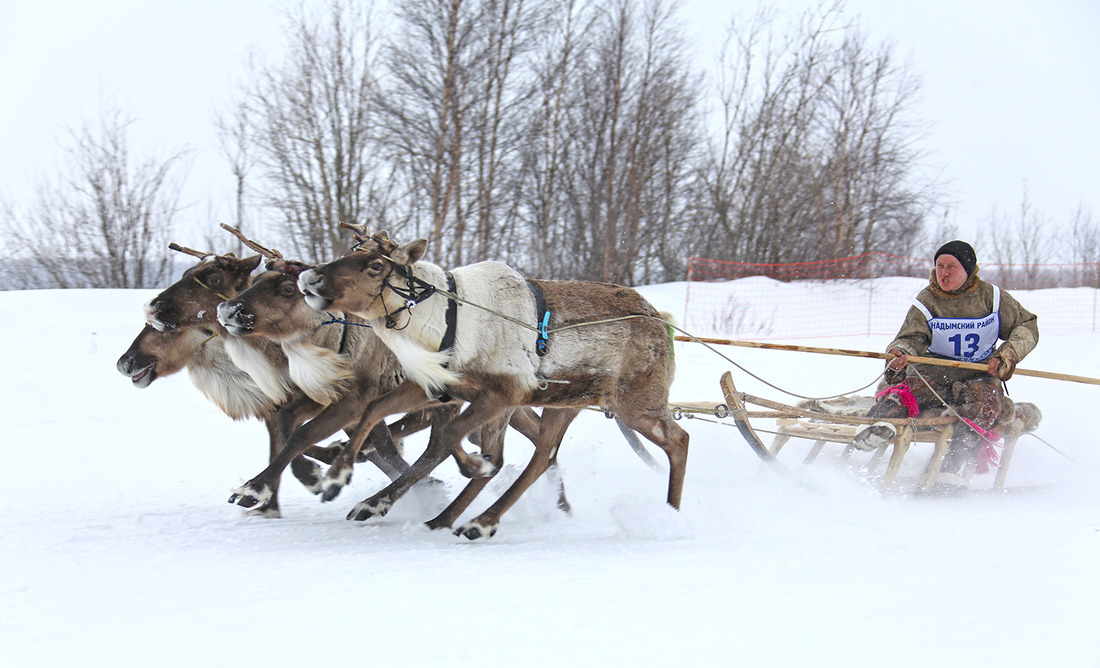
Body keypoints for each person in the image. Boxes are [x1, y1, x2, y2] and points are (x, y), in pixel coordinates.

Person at [852, 240, 1039, 486]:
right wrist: (900, 354)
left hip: (979, 373)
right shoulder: (928, 299)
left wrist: (1007, 355)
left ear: (969, 269)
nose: (944, 272)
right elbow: (911, 338)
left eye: (952, 266)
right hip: (933, 372)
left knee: (986, 405)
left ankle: (951, 465)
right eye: (939, 265)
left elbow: (1026, 327)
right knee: (905, 394)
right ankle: (878, 426)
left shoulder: (993, 298)